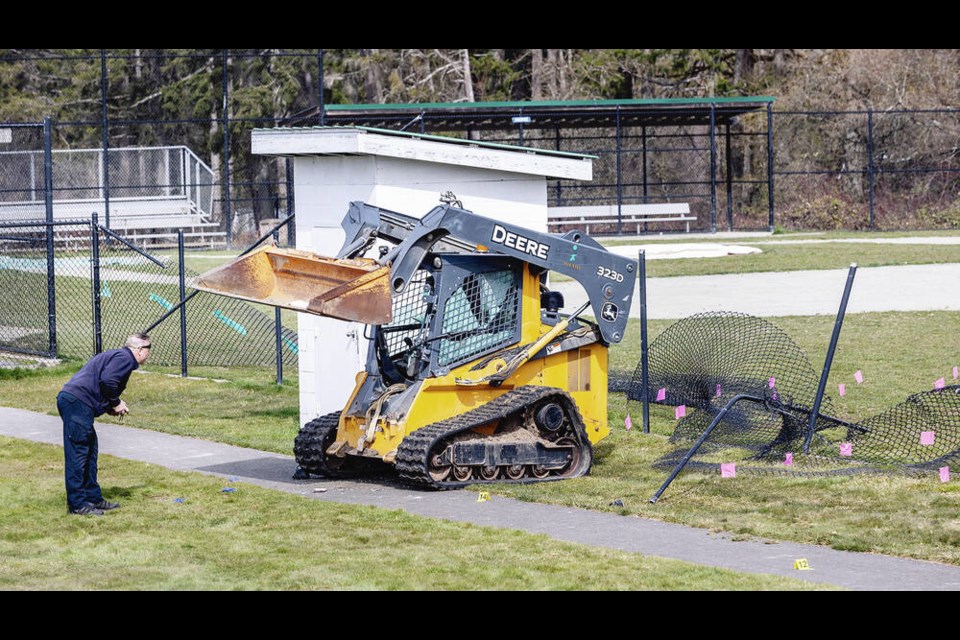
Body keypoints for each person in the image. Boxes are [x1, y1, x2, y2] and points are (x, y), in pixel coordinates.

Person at [57, 332, 152, 516]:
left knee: (90, 452)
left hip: (77, 403)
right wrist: (116, 403)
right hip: (76, 403)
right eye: (149, 349)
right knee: (78, 454)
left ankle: (92, 498)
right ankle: (77, 505)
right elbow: (108, 381)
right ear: (140, 350)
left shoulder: (120, 357)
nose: (149, 354)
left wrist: (109, 406)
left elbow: (102, 383)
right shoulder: (125, 358)